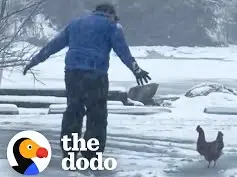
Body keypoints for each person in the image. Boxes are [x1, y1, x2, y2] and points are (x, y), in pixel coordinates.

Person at [22, 3, 151, 160]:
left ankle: (69, 150)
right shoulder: (112, 26)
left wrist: (34, 61)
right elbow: (123, 51)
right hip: (96, 76)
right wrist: (136, 70)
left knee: (73, 111)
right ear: (111, 14)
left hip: (73, 74)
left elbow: (53, 45)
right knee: (96, 115)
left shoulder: (76, 23)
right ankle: (91, 153)